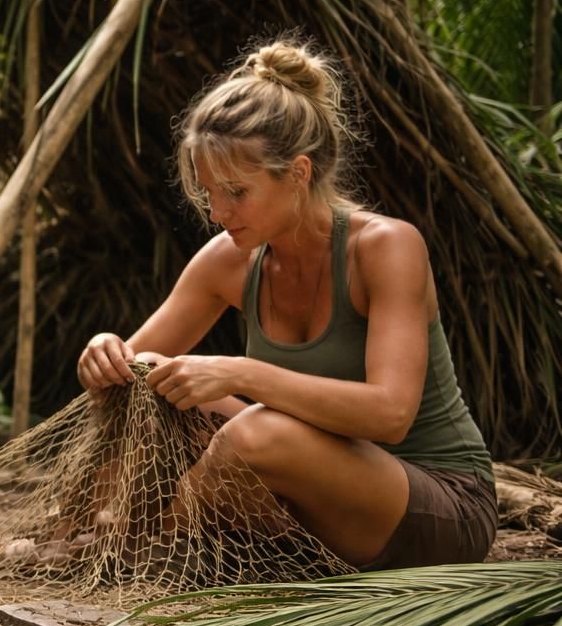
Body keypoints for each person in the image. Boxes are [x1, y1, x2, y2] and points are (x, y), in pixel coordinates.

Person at [77, 38, 496, 569]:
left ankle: (147, 547)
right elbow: (125, 378)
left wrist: (243, 373)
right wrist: (101, 353)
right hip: (315, 516)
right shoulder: (228, 259)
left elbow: (391, 414)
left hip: (435, 510)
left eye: (237, 191)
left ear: (298, 173)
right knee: (150, 377)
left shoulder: (386, 247)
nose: (218, 212)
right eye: (209, 193)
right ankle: (96, 533)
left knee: (258, 434)